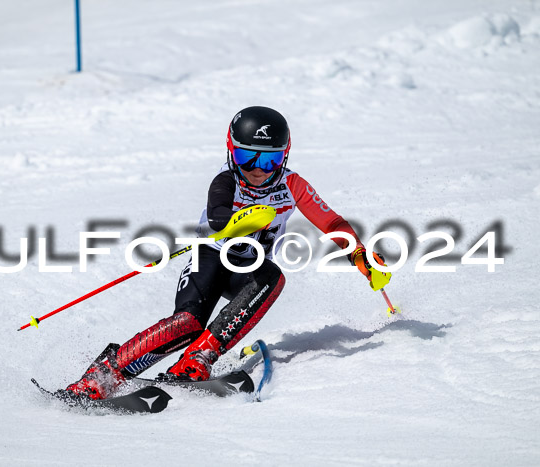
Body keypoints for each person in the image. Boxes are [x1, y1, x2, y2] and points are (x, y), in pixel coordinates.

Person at [62, 106, 388, 401]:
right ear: (232, 151)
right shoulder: (226, 179)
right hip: (210, 258)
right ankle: (104, 374)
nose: (258, 170)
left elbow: (331, 221)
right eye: (248, 158)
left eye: (269, 160)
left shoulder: (293, 185)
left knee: (272, 278)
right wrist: (245, 218)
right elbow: (218, 215)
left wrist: (357, 252)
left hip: (249, 269)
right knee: (188, 322)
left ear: (284, 157)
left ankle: (196, 360)